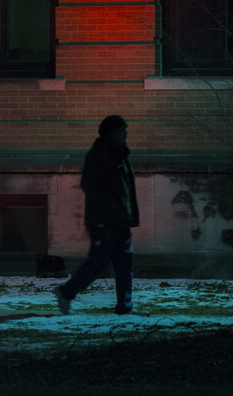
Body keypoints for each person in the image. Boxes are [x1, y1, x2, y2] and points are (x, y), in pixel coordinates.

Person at [53, 114, 139, 315]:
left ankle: (125, 308)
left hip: (119, 220)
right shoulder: (101, 154)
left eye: (125, 130)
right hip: (106, 221)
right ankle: (66, 292)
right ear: (111, 134)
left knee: (124, 266)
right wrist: (110, 208)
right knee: (98, 263)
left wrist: (125, 214)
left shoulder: (119, 154)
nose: (125, 134)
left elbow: (124, 189)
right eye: (121, 131)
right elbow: (89, 185)